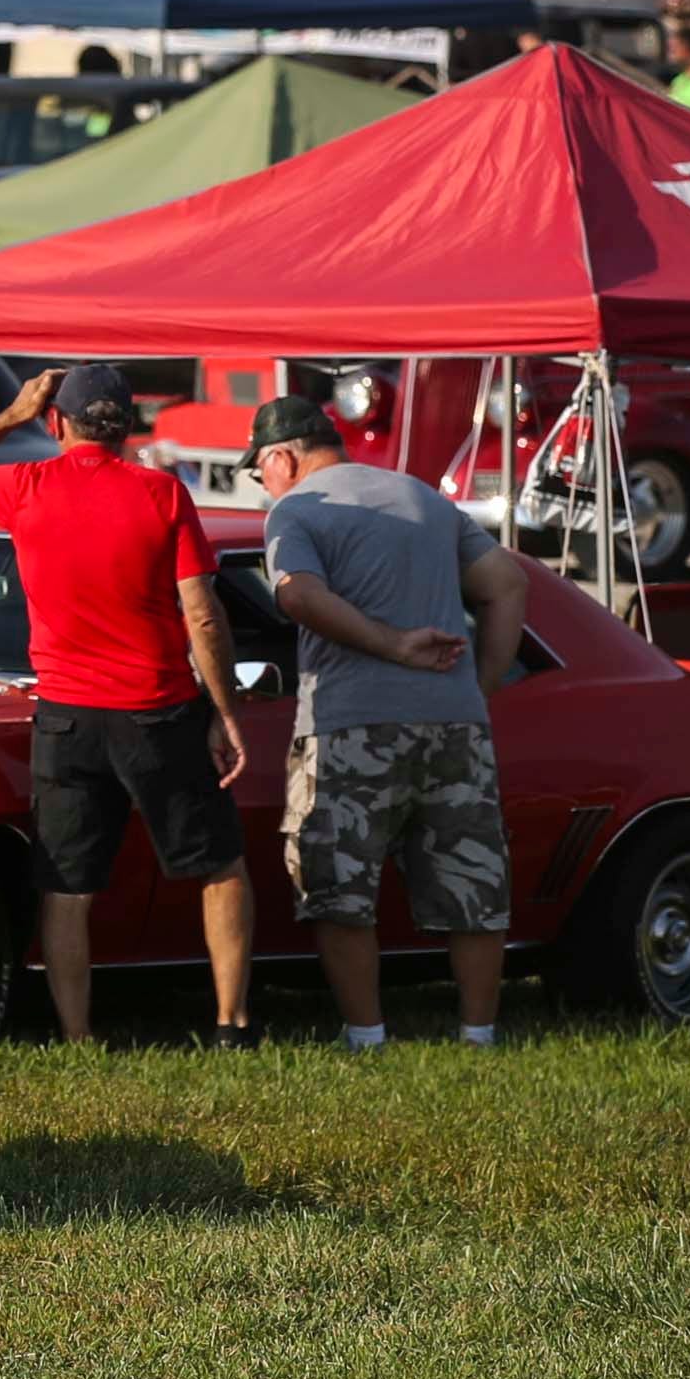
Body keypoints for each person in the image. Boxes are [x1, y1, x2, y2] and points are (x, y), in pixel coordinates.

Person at [0, 363, 259, 1047]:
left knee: (67, 885)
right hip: (157, 709)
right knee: (219, 866)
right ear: (127, 426)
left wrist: (8, 415)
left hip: (66, 715)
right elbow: (203, 613)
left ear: (56, 422)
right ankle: (231, 1023)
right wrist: (225, 711)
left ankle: (76, 1035)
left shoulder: (25, 486)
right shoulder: (161, 492)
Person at [248, 396, 530, 1051]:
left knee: (340, 887)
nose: (261, 484)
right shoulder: (422, 498)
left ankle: (366, 1036)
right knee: (472, 882)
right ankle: (478, 1033)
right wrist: (478, 687)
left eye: (257, 470)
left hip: (349, 725)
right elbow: (507, 582)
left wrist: (390, 642)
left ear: (281, 457)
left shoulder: (293, 510)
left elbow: (295, 593)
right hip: (453, 721)